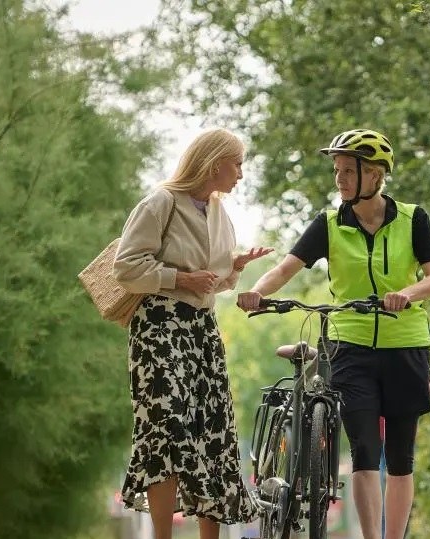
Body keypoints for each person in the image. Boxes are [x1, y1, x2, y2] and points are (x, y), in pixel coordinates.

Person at [237, 128, 430, 539]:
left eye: (348, 170)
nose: (339, 179)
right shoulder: (329, 223)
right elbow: (285, 269)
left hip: (405, 346)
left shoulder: (413, 219)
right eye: (337, 170)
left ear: (375, 175)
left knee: (400, 459)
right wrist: (256, 293)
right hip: (349, 348)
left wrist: (406, 294)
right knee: (365, 451)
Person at [112, 128, 273, 539]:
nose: (241, 173)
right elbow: (125, 267)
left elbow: (213, 281)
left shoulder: (219, 213)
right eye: (237, 164)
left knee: (212, 431)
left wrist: (234, 267)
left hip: (202, 329)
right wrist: (180, 278)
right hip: (158, 327)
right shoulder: (160, 202)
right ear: (215, 163)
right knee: (165, 429)